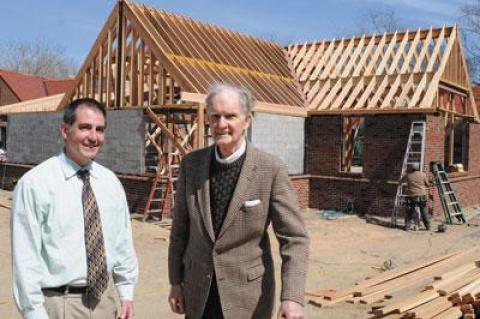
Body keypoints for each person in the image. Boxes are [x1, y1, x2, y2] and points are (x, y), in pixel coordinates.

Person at [168, 84, 309, 319]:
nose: (221, 124)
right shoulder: (191, 165)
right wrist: (175, 281)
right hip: (198, 295)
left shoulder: (270, 170)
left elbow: (295, 239)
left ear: (247, 121)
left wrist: (292, 298)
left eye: (230, 116)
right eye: (215, 116)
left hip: (248, 299)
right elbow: (180, 229)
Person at [11, 98, 138, 319]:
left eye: (99, 129)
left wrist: (126, 292)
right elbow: (25, 257)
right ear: (65, 130)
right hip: (59, 305)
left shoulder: (110, 183)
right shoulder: (36, 184)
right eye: (85, 127)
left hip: (103, 303)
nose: (93, 137)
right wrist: (34, 313)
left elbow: (122, 242)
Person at [401, 163, 431, 231]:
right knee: (424, 211)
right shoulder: (423, 175)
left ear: (411, 168)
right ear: (418, 168)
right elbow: (427, 184)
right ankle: (428, 226)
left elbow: (400, 181)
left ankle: (407, 227)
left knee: (409, 211)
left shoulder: (408, 175)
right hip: (421, 195)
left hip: (411, 196)